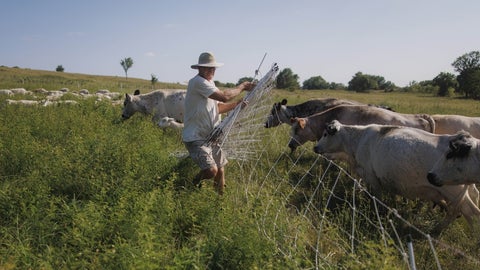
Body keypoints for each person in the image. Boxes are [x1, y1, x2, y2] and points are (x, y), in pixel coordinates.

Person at [182, 52, 254, 195]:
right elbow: (224, 96)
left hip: (211, 136)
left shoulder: (210, 84)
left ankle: (218, 201)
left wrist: (237, 105)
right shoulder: (197, 82)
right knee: (211, 170)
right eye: (208, 68)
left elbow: (218, 108)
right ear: (199, 69)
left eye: (213, 68)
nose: (212, 71)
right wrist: (243, 86)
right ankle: (189, 187)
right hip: (195, 137)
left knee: (220, 169)